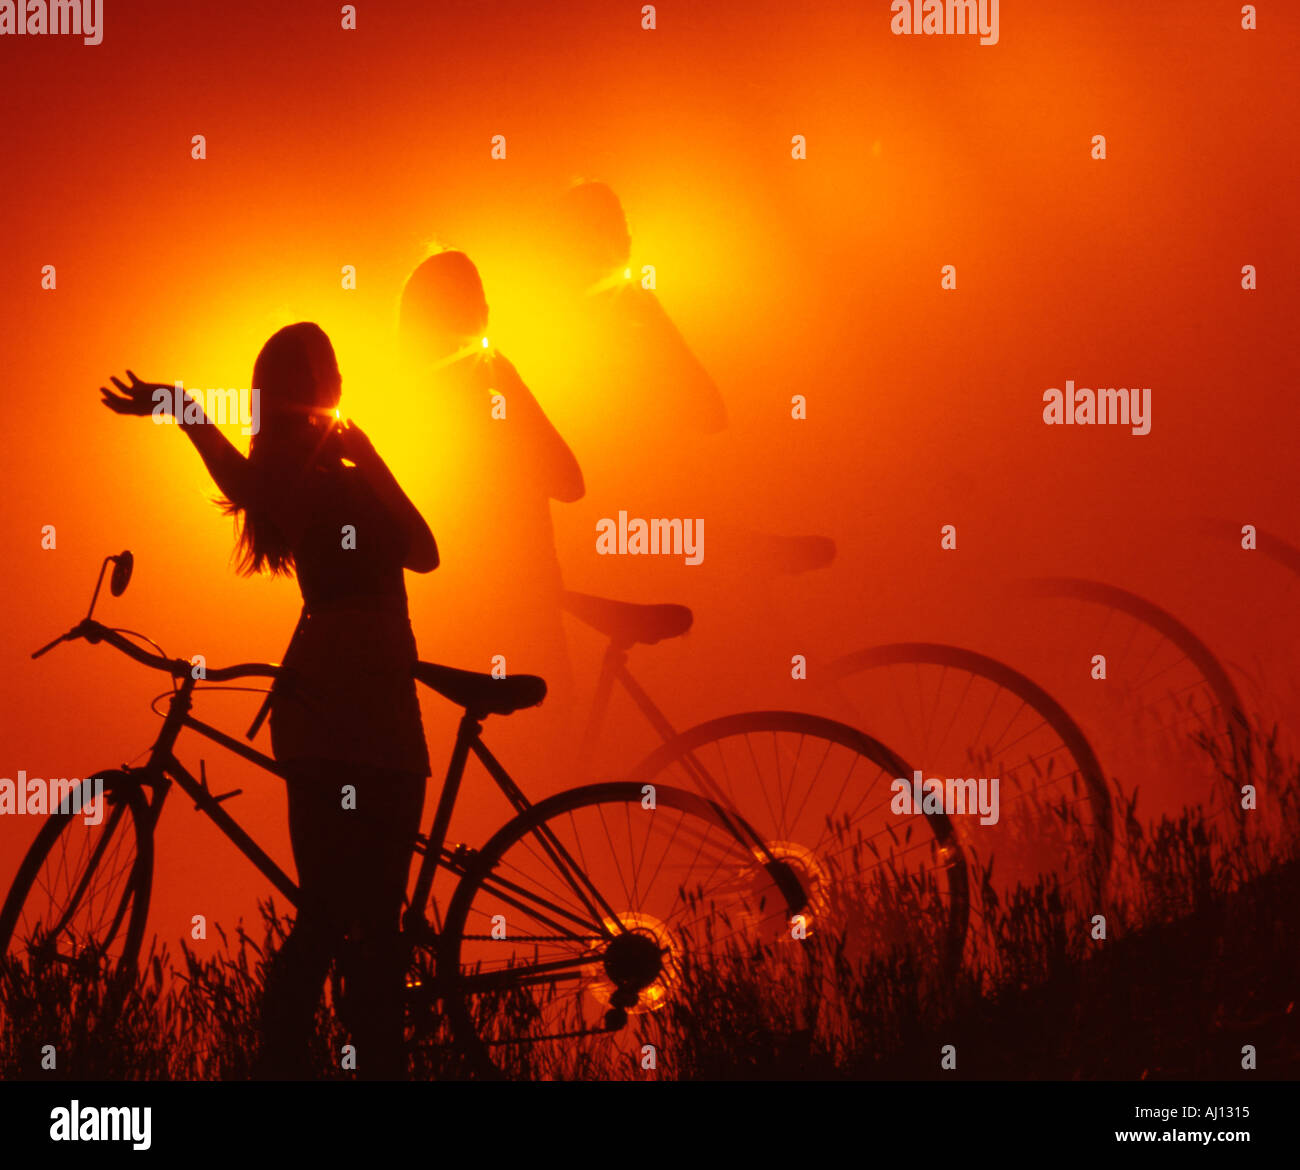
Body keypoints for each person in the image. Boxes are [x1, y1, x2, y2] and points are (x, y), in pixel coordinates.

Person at [99, 322, 436, 1080]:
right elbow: (238, 477)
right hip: (334, 698)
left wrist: (372, 456)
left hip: (388, 691)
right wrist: (179, 407)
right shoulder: (282, 470)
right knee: (326, 911)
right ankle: (280, 1063)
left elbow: (426, 551)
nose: (336, 383)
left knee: (379, 920)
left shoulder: (351, 469)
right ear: (300, 390)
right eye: (325, 372)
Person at [398, 249, 584, 703]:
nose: (484, 315)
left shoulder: (418, 403)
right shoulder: (472, 391)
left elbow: (570, 481)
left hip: (475, 621)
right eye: (470, 306)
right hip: (507, 615)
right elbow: (569, 482)